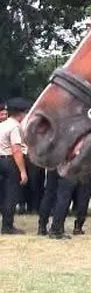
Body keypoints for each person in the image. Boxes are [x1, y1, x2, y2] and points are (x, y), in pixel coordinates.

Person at [0, 98, 31, 235]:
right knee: (10, 195)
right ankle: (7, 226)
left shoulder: (3, 125)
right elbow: (16, 150)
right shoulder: (14, 127)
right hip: (9, 161)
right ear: (20, 113)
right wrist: (22, 172)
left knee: (2, 194)